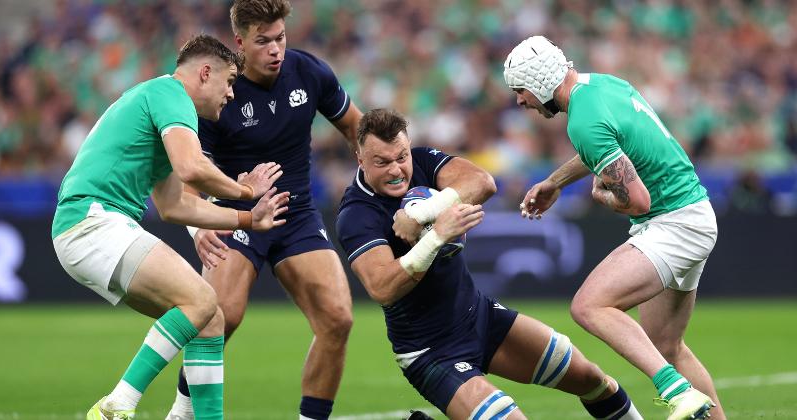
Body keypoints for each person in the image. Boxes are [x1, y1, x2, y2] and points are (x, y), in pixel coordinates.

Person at [336, 108, 643, 420]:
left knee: (591, 378)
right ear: (360, 158)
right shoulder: (356, 214)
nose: (397, 170)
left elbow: (482, 182)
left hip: (480, 317)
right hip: (431, 351)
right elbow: (382, 287)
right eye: (382, 162)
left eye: (401, 157)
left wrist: (423, 213)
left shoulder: (423, 161)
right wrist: (435, 238)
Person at [52, 34, 290, 420]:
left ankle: (186, 417)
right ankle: (118, 404)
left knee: (210, 319)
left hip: (88, 227)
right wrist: (246, 190)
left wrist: (248, 219)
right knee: (201, 299)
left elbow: (174, 205)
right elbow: (192, 168)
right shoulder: (171, 94)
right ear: (205, 72)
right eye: (229, 81)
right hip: (92, 222)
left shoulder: (161, 108)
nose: (232, 94)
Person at [504, 36, 723, 420]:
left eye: (520, 90)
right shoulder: (604, 85)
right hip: (693, 214)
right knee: (665, 346)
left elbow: (638, 202)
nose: (520, 101)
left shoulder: (583, 122)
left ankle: (675, 391)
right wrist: (555, 182)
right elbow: (606, 144)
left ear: (538, 82)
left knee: (589, 305)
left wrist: (603, 197)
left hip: (672, 223)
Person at [165, 1, 361, 419]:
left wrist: (385, 172)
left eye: (281, 38)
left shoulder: (309, 72)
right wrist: (198, 229)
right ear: (240, 42)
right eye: (263, 41)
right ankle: (182, 412)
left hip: (297, 215)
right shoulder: (220, 92)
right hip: (238, 216)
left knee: (338, 318)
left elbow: (357, 129)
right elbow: (189, 178)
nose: (276, 50)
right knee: (221, 318)